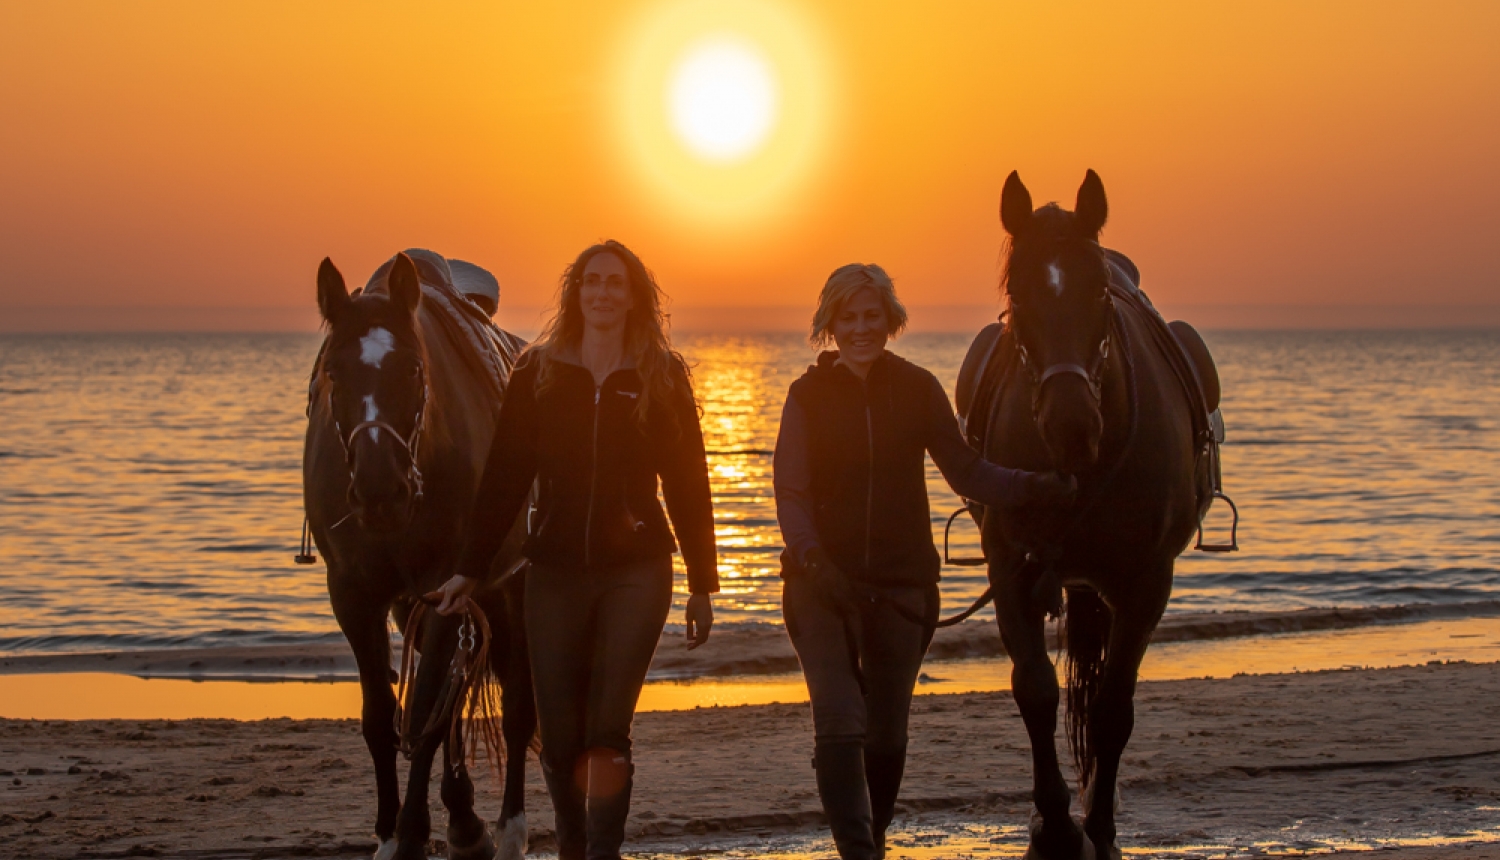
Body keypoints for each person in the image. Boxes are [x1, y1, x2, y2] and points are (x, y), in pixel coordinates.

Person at [774, 263, 1075, 860]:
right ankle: (858, 853)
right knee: (838, 720)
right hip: (819, 587)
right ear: (830, 323)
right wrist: (812, 561)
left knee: (885, 737)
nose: (861, 328)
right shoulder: (805, 395)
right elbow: (791, 493)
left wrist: (1037, 486)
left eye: (872, 316)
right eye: (848, 317)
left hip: (903, 586)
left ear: (890, 319)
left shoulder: (917, 388)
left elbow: (968, 472)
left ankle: (875, 838)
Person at [429, 240, 717, 860]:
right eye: (592, 282)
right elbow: (504, 478)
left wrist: (702, 583)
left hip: (637, 572)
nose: (604, 293)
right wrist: (469, 571)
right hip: (555, 570)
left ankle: (602, 856)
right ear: (576, 292)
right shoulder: (539, 372)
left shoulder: (662, 375)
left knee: (608, 731)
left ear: (634, 295)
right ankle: (572, 846)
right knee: (558, 740)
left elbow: (690, 482)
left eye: (616, 283)